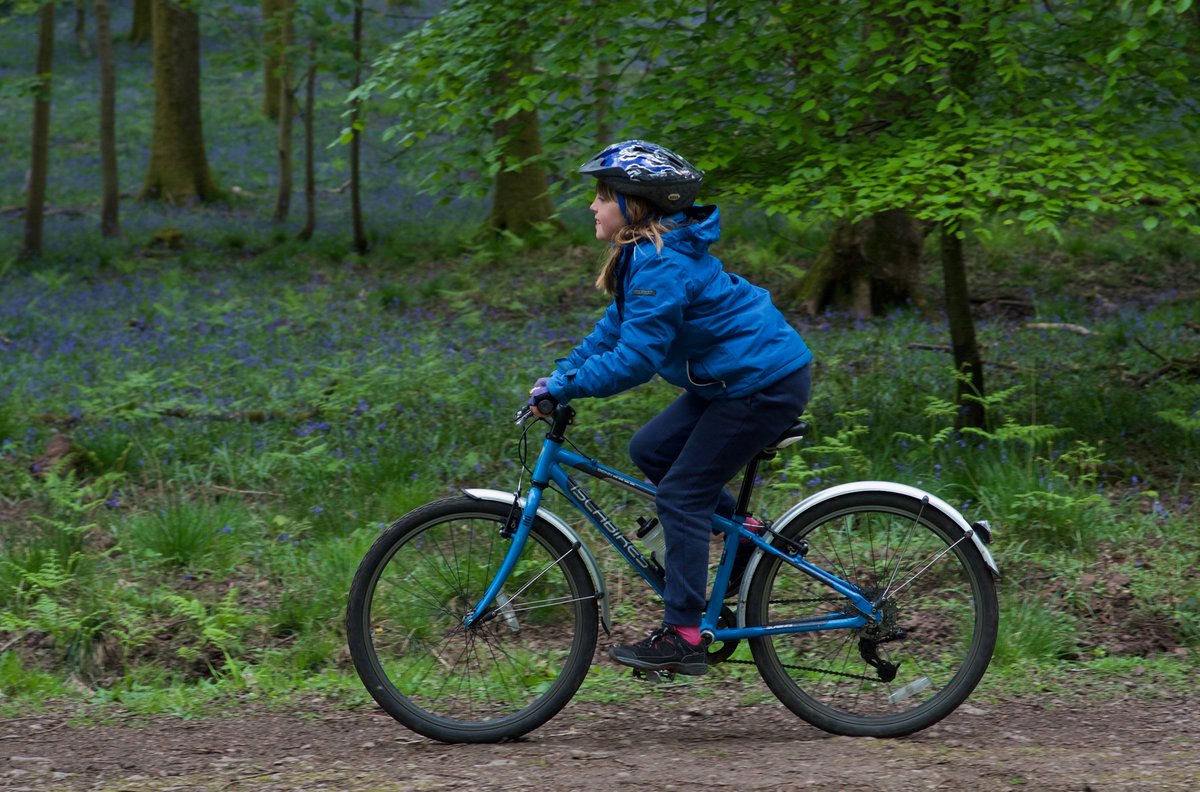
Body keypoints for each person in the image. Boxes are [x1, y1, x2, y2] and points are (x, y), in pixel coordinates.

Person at [529, 140, 813, 676]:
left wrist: (565, 390)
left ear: (633, 204)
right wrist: (561, 376)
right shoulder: (646, 255)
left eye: (602, 196)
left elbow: (635, 359)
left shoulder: (660, 262)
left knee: (682, 495)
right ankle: (746, 539)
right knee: (651, 449)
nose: (592, 205)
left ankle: (683, 635)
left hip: (761, 383)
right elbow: (612, 332)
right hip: (734, 380)